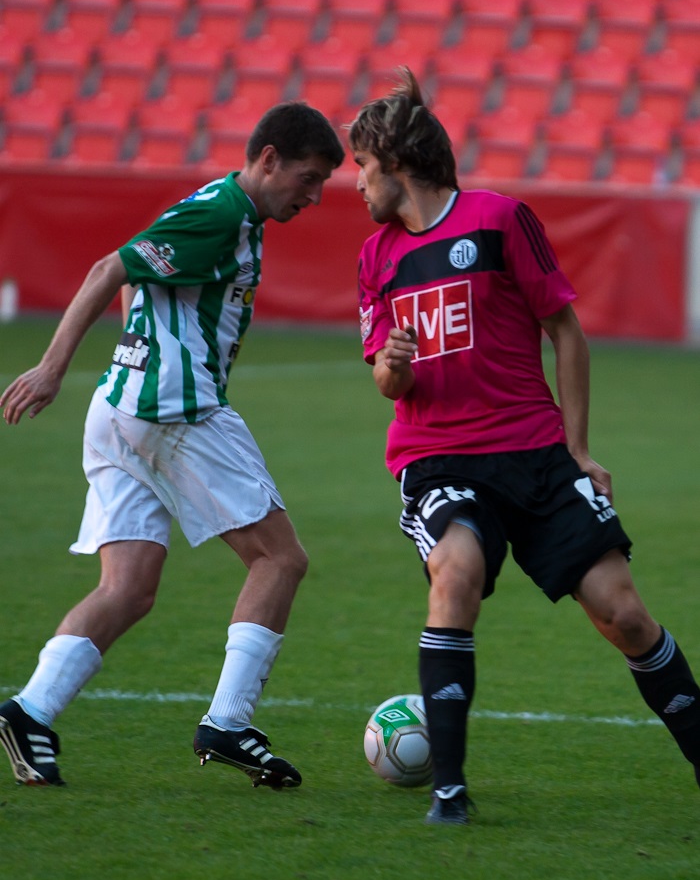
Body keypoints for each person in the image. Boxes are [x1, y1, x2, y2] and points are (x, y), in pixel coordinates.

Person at [349, 68, 700, 825]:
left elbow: (565, 330)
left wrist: (577, 448)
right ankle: (449, 792)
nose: (357, 187)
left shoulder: (500, 219)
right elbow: (384, 379)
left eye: (362, 169)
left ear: (395, 164)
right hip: (436, 457)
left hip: (534, 454)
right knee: (457, 570)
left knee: (626, 614)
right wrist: (393, 365)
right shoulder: (375, 257)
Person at [0, 101, 345, 790]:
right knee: (280, 559)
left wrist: (138, 347)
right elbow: (110, 269)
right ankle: (229, 721)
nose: (312, 197)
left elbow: (140, 278)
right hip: (174, 412)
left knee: (127, 588)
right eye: (307, 179)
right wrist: (52, 366)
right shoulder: (220, 214)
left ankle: (29, 711)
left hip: (119, 410)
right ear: (269, 158)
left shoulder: (231, 213)